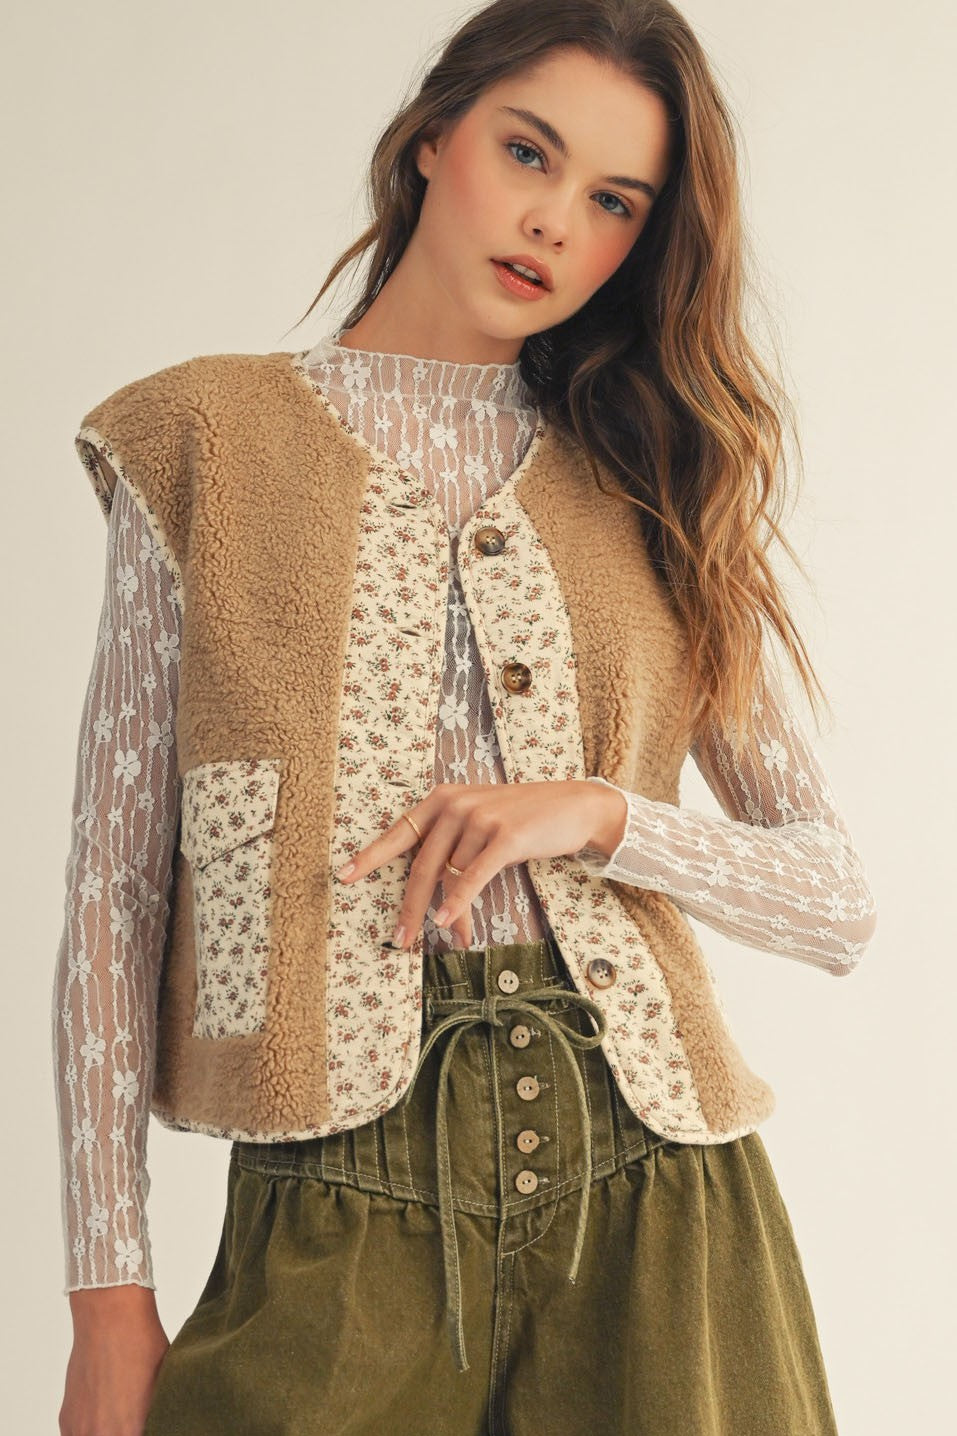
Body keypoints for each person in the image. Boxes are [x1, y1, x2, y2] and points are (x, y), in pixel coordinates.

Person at [53, 2, 878, 1432]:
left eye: (614, 201)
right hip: (332, 1189)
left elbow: (834, 899)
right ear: (435, 135)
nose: (554, 221)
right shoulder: (200, 442)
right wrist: (107, 1300)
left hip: (653, 1179)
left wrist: (600, 815)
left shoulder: (654, 477)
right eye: (529, 153)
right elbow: (114, 896)